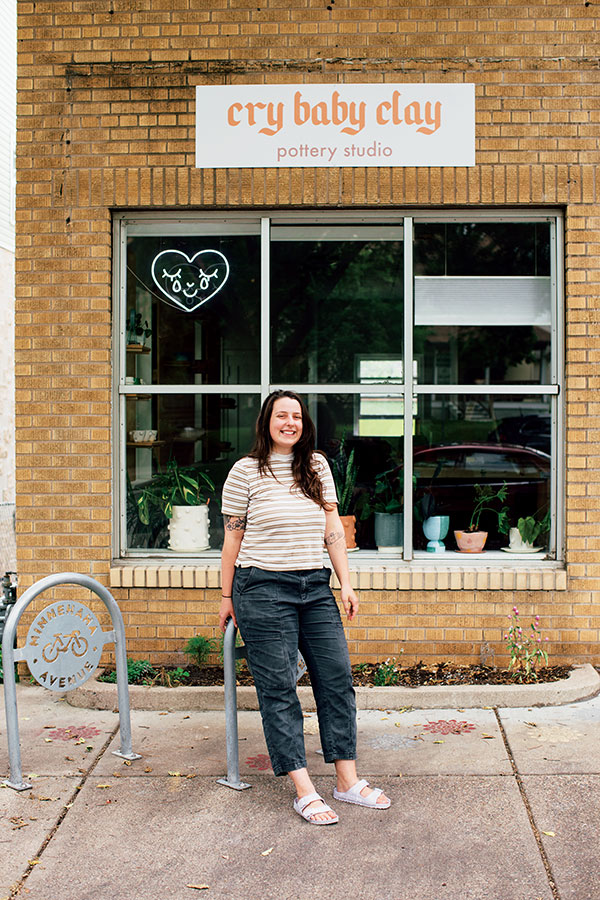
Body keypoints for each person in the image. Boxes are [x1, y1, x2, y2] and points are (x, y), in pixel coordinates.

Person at [219, 390, 391, 825]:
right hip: (260, 588)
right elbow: (232, 540)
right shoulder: (245, 472)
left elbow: (333, 526)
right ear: (266, 422)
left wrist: (346, 583)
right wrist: (226, 597)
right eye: (282, 415)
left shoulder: (316, 466)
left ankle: (347, 782)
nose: (290, 422)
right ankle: (304, 789)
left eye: (297, 415)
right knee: (279, 689)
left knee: (336, 681)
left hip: (314, 586)